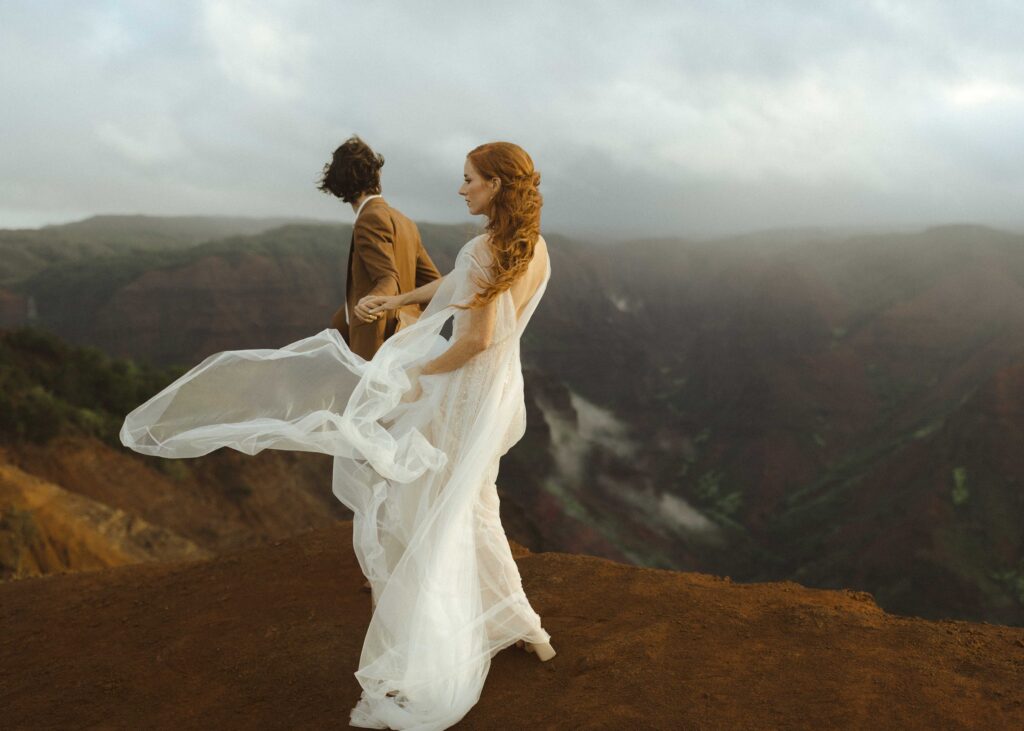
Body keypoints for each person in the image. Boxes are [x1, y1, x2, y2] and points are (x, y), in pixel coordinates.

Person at [120, 140, 554, 731]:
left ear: (497, 185)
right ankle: (526, 628)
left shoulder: (481, 248)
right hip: (498, 394)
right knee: (473, 503)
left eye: (469, 179)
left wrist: (411, 371)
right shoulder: (533, 250)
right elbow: (453, 285)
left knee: (422, 512)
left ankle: (431, 645)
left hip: (460, 392)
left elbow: (472, 339)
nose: (461, 188)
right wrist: (398, 298)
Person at [317, 135, 442, 360]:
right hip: (404, 340)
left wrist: (369, 303)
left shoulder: (369, 219)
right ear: (377, 175)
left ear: (337, 183)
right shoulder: (404, 221)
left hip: (376, 344)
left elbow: (388, 279)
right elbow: (434, 283)